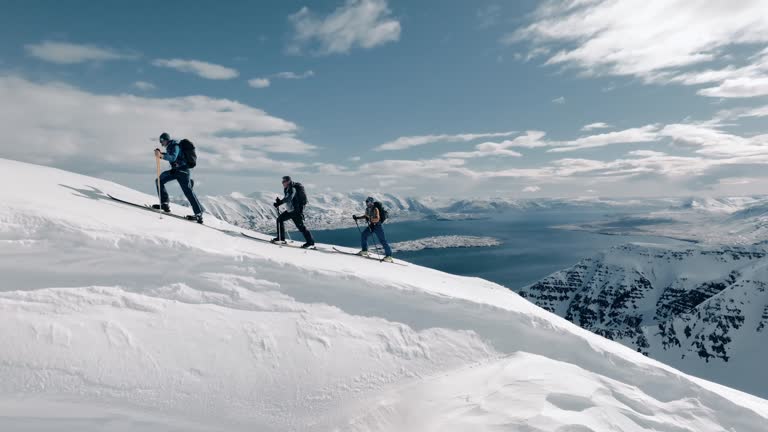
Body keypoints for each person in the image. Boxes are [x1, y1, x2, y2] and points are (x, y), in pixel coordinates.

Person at [153, 132, 204, 224]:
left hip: (183, 172)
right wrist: (160, 154)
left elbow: (172, 158)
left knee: (188, 192)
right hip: (176, 171)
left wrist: (161, 155)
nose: (161, 143)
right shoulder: (170, 147)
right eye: (160, 141)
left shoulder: (175, 146)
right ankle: (164, 204)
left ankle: (199, 214)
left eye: (162, 140)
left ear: (166, 139)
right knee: (159, 180)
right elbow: (173, 158)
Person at [273, 176, 315, 248]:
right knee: (280, 219)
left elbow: (289, 198)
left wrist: (280, 202)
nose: (282, 183)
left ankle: (310, 242)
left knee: (301, 227)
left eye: (284, 181)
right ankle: (281, 238)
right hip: (290, 211)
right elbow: (287, 198)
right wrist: (279, 202)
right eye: (282, 181)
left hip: (295, 211)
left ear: (288, 181)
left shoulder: (292, 188)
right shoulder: (287, 188)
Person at [353, 197, 393, 262]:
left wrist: (370, 219)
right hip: (372, 225)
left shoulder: (375, 209)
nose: (367, 203)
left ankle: (389, 256)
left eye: (368, 202)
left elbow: (377, 218)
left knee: (383, 241)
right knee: (364, 235)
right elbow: (365, 216)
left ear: (371, 202)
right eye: (366, 202)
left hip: (378, 226)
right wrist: (357, 218)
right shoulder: (367, 209)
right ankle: (364, 251)